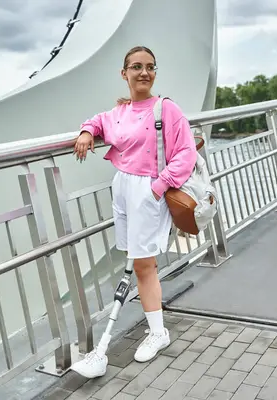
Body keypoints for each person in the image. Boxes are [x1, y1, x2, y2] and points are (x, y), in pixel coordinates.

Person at [72, 45, 198, 371]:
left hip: (148, 189)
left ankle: (158, 332)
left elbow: (185, 153)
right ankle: (152, 329)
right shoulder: (120, 112)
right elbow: (98, 120)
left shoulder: (166, 109)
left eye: (150, 67)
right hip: (124, 187)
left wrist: (158, 187)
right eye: (136, 67)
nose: (144, 72)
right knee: (135, 259)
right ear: (124, 72)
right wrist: (88, 132)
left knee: (143, 264)